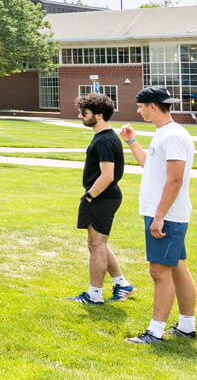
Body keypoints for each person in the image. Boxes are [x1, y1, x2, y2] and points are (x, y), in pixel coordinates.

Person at [122, 86, 197, 344]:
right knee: (177, 267)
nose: (138, 110)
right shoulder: (164, 134)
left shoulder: (173, 136)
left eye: (140, 106)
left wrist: (159, 216)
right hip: (166, 214)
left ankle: (154, 332)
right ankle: (187, 326)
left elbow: (175, 180)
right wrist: (132, 142)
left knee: (159, 271)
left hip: (166, 216)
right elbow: (150, 166)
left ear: (152, 106)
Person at [66, 93, 134, 305]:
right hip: (103, 197)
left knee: (96, 245)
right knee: (98, 244)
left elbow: (108, 175)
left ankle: (94, 295)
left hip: (101, 197)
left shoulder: (105, 139)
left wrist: (89, 196)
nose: (80, 116)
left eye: (84, 113)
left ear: (99, 115)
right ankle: (122, 284)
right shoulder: (105, 136)